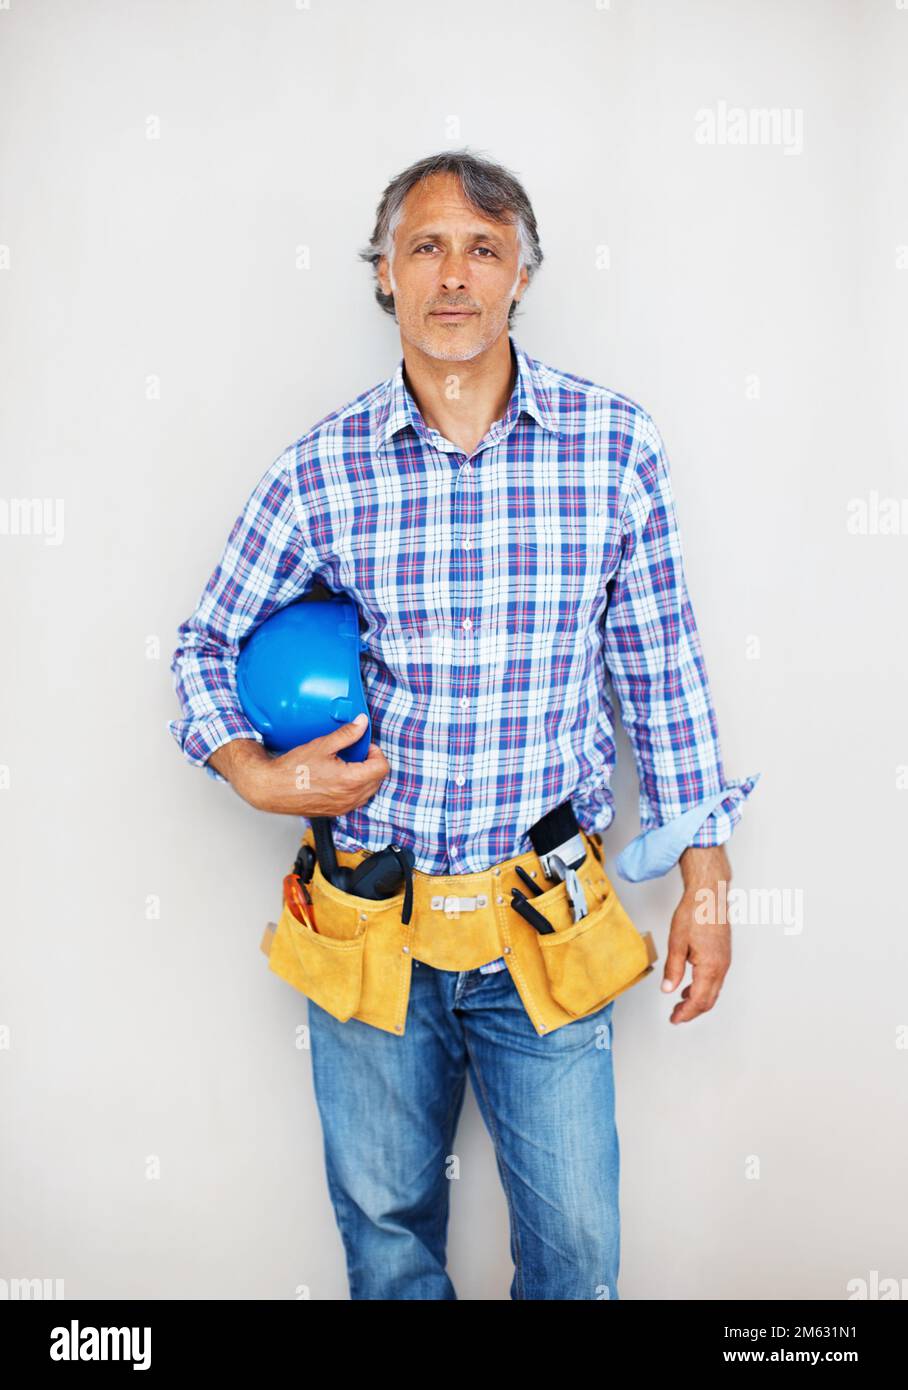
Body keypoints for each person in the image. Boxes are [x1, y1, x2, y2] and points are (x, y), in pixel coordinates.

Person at [168, 149, 758, 1300]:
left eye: (483, 249)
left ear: (520, 275)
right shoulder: (319, 472)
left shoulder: (613, 447)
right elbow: (201, 646)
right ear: (383, 274)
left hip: (546, 909)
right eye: (425, 247)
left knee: (575, 1257)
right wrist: (250, 770)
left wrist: (706, 878)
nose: (453, 275)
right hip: (367, 918)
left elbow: (660, 668)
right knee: (388, 1246)